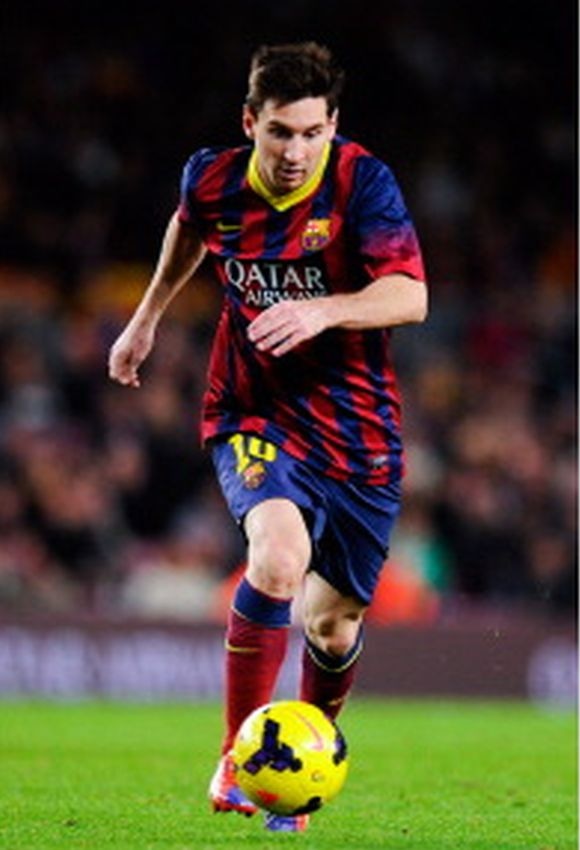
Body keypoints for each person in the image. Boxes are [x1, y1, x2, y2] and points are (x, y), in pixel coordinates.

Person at [108, 42, 427, 833]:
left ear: (333, 126)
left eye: (312, 133)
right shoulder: (212, 177)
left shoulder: (363, 183)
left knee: (333, 624)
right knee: (278, 559)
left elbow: (409, 295)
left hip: (358, 432)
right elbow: (190, 231)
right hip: (252, 411)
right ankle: (237, 757)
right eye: (280, 132)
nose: (295, 153)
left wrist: (324, 308)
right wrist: (146, 319)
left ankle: (303, 774)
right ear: (250, 123)